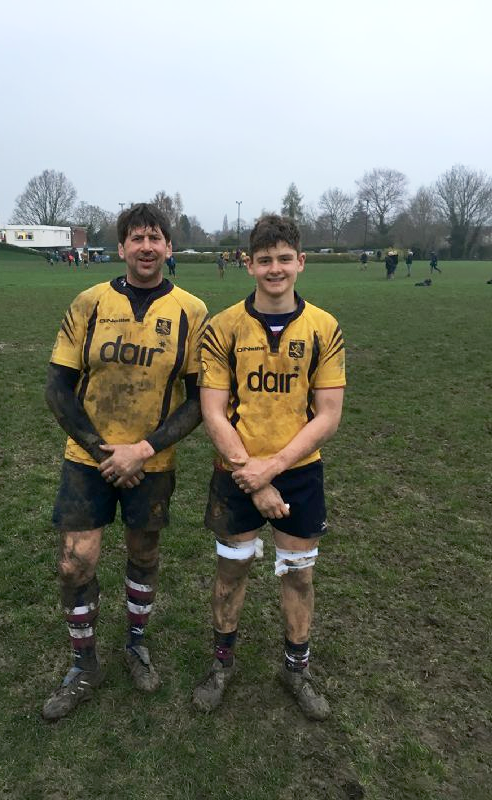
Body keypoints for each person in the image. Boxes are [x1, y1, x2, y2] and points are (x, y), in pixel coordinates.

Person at [42, 203, 209, 721]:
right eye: (136, 238)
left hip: (151, 464)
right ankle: (83, 664)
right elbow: (57, 388)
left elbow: (201, 399)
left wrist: (144, 448)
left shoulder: (191, 311)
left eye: (155, 238)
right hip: (87, 459)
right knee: (75, 562)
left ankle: (135, 642)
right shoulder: (89, 302)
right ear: (120, 248)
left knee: (143, 553)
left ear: (168, 248)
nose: (146, 246)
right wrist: (101, 450)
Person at [193, 214, 345, 721]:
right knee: (231, 572)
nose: (274, 269)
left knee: (299, 578)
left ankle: (296, 669)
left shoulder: (325, 328)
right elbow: (213, 411)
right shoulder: (222, 327)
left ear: (301, 262)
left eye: (284, 259)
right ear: (248, 266)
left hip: (300, 472)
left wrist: (273, 468)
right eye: (264, 260)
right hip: (234, 471)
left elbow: (328, 414)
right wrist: (251, 476)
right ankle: (221, 664)